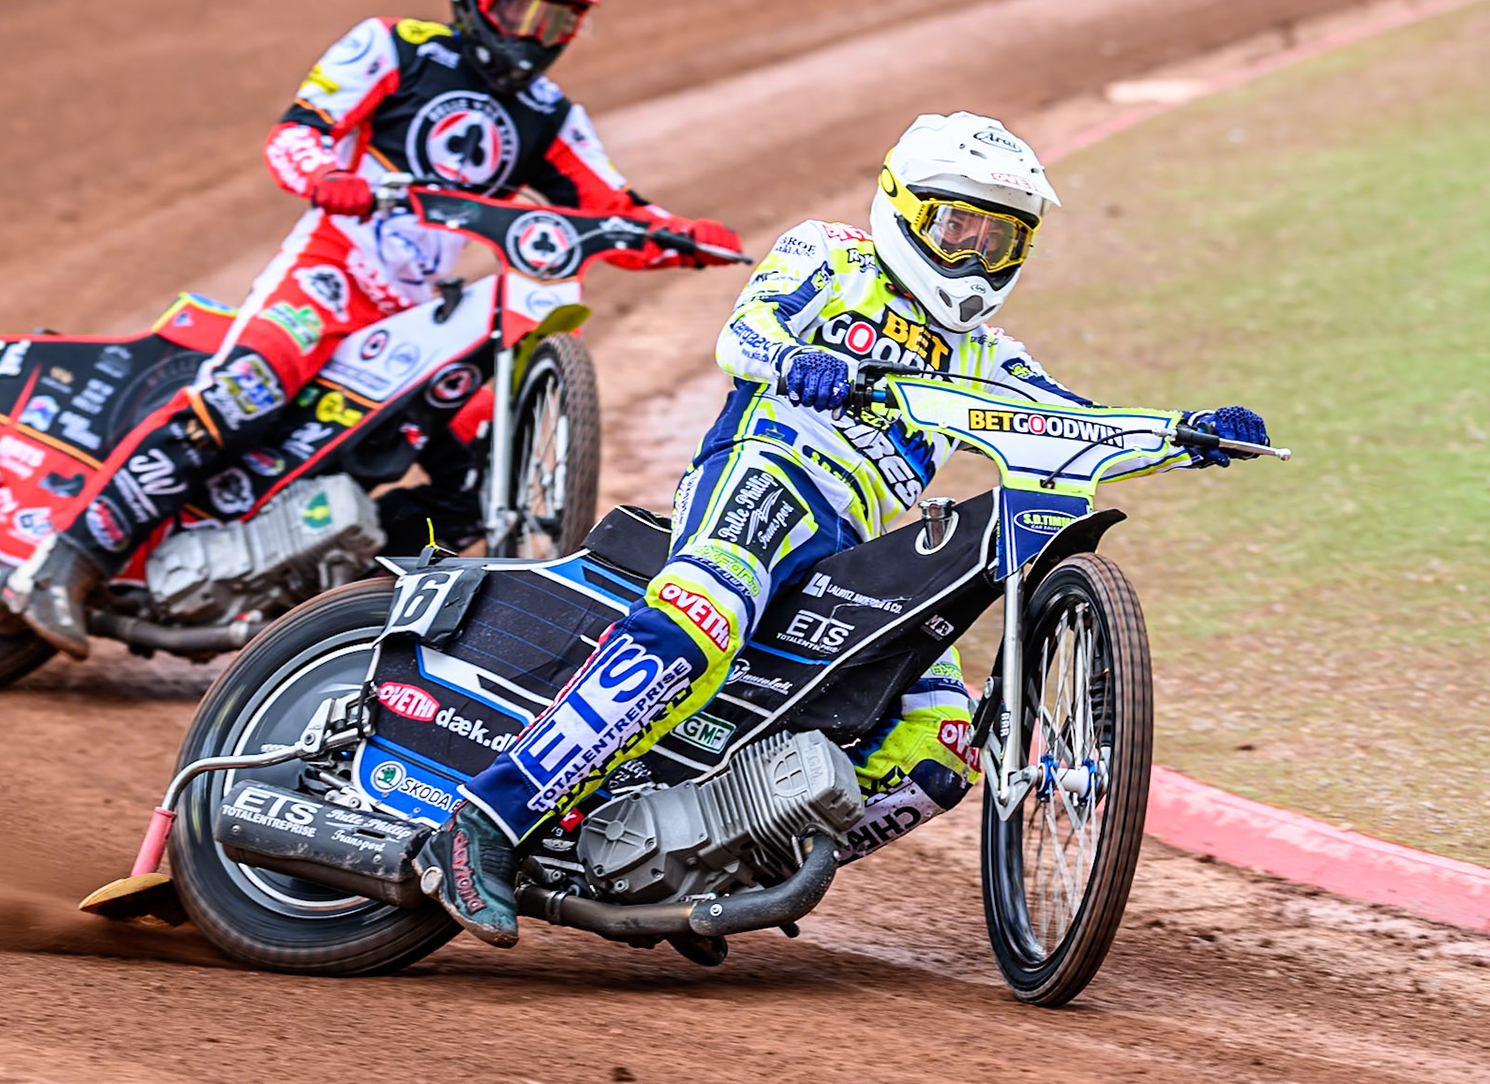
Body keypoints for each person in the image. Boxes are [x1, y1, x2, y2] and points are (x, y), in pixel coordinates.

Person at [415, 110, 1271, 947]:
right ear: (901, 207)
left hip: (857, 546)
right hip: (765, 476)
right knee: (697, 626)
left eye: (999, 240)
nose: (975, 256)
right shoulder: (828, 256)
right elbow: (742, 332)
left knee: (939, 751)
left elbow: (1075, 423)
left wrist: (1185, 432)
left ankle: (724, 860)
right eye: (957, 226)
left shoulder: (989, 355)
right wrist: (797, 359)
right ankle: (483, 821)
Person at [5, 0, 742, 655]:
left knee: (470, 464)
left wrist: (680, 235)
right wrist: (328, 175)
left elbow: (611, 208)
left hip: (415, 316)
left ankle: (327, 593)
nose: (533, 35)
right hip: (327, 278)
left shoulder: (550, 116)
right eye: (519, 9)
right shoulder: (392, 49)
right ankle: (63, 563)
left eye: (554, 20)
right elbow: (295, 135)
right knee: (243, 394)